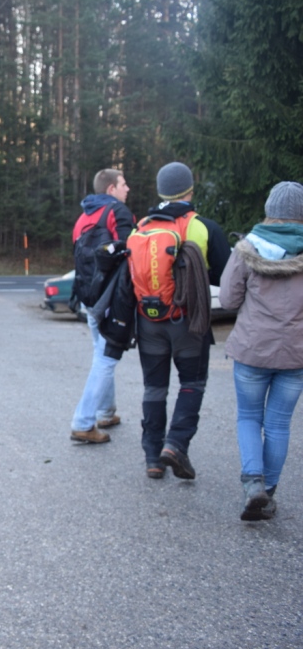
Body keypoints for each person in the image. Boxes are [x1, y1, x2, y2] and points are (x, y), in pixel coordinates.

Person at [134, 162, 231, 479]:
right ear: (190, 189)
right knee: (192, 384)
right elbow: (226, 277)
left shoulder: (141, 227)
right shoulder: (202, 227)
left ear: (160, 191)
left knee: (154, 388)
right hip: (188, 320)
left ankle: (152, 457)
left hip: (148, 321)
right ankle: (175, 444)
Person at [219, 181, 303, 521]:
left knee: (249, 418)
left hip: (252, 350)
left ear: (269, 210)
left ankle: (253, 483)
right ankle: (268, 491)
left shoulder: (247, 249)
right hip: (297, 354)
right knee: (279, 424)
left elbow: (228, 299)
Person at [69, 169, 135, 444]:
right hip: (112, 300)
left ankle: (106, 412)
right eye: (123, 184)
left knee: (101, 352)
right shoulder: (117, 211)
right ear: (111, 189)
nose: (127, 188)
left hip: (90, 298)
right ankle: (83, 423)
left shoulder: (83, 217)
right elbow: (132, 252)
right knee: (107, 357)